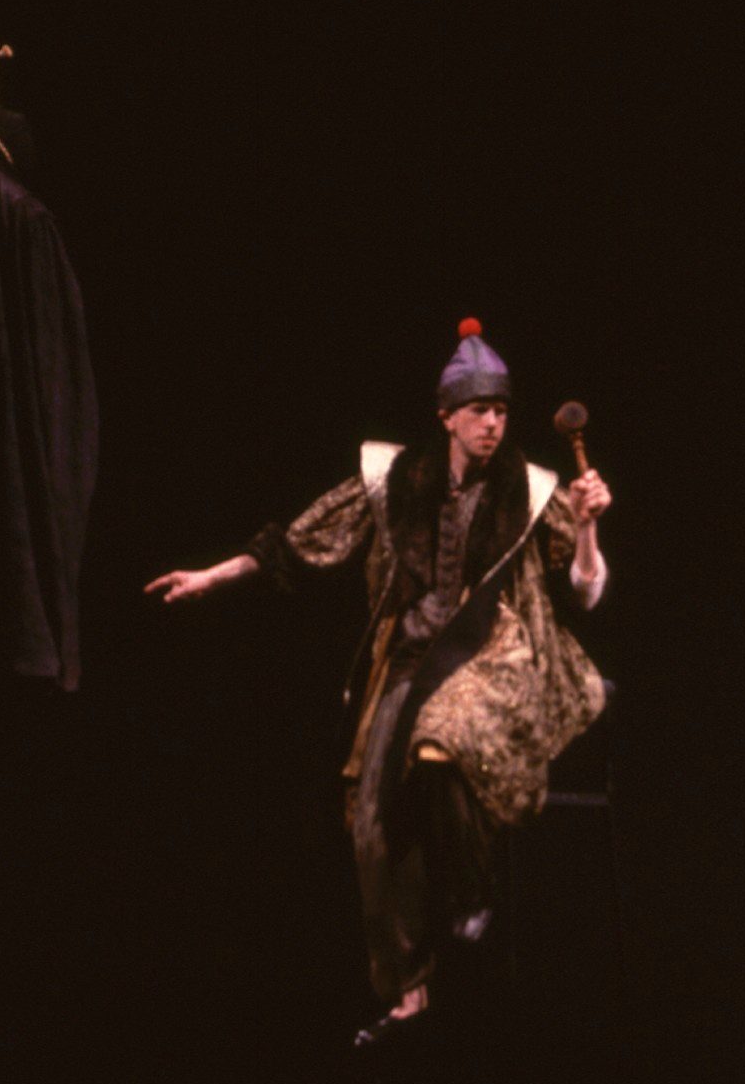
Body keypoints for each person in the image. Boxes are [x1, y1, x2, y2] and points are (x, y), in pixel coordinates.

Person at [145, 320, 611, 1042]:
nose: (492, 424)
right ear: (446, 415)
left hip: (494, 656)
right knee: (370, 826)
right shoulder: (398, 479)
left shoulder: (529, 488)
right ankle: (408, 990)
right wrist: (212, 577)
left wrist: (585, 528)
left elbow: (586, 591)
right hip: (410, 658)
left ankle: (474, 892)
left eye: (501, 411)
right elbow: (302, 542)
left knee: (439, 741)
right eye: (479, 410)